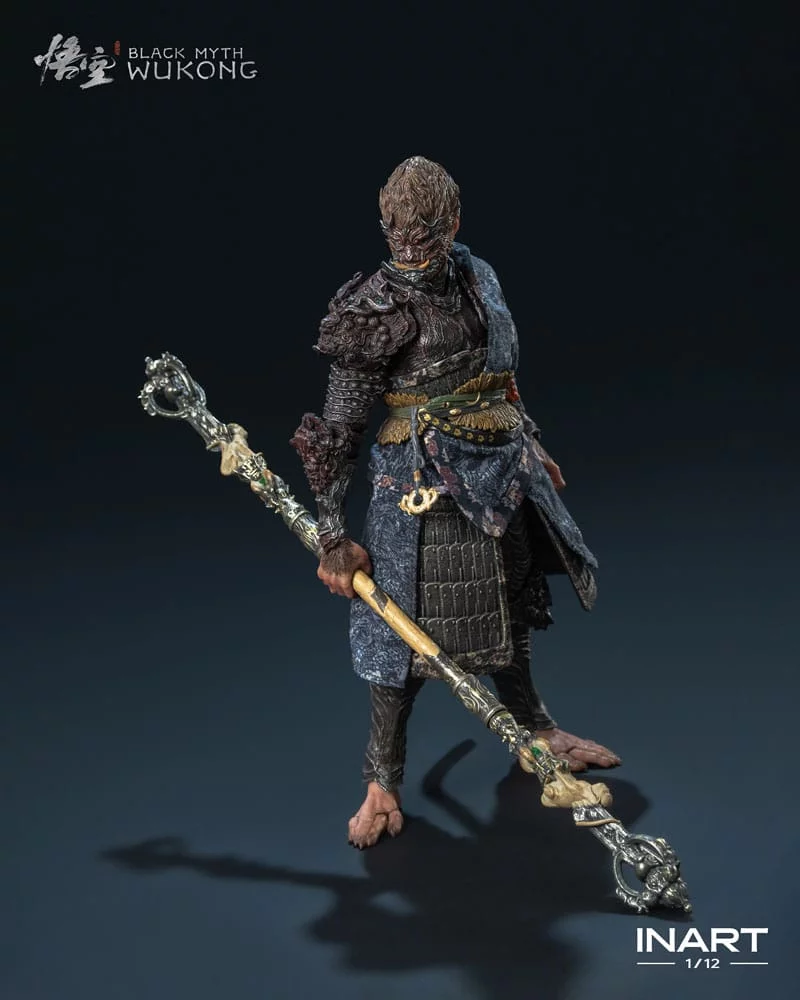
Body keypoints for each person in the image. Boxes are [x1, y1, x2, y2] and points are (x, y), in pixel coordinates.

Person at [291, 156, 620, 849]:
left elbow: (499, 376)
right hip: (419, 488)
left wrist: (531, 442)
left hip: (500, 468)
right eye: (399, 235)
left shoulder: (478, 276)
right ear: (384, 227)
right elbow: (336, 433)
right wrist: (332, 536)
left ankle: (534, 729)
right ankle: (381, 780)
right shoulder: (373, 309)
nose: (411, 251)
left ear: (454, 224)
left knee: (508, 605)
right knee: (401, 637)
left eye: (426, 235)